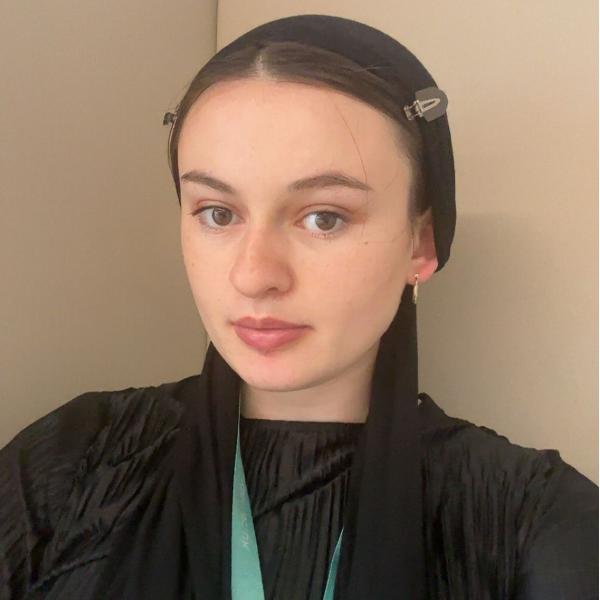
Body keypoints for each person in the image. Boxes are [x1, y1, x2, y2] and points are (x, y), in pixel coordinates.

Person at [0, 14, 598, 600]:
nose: (254, 275)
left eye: (324, 218)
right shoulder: (71, 460)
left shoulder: (534, 521)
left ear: (421, 244)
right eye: (218, 213)